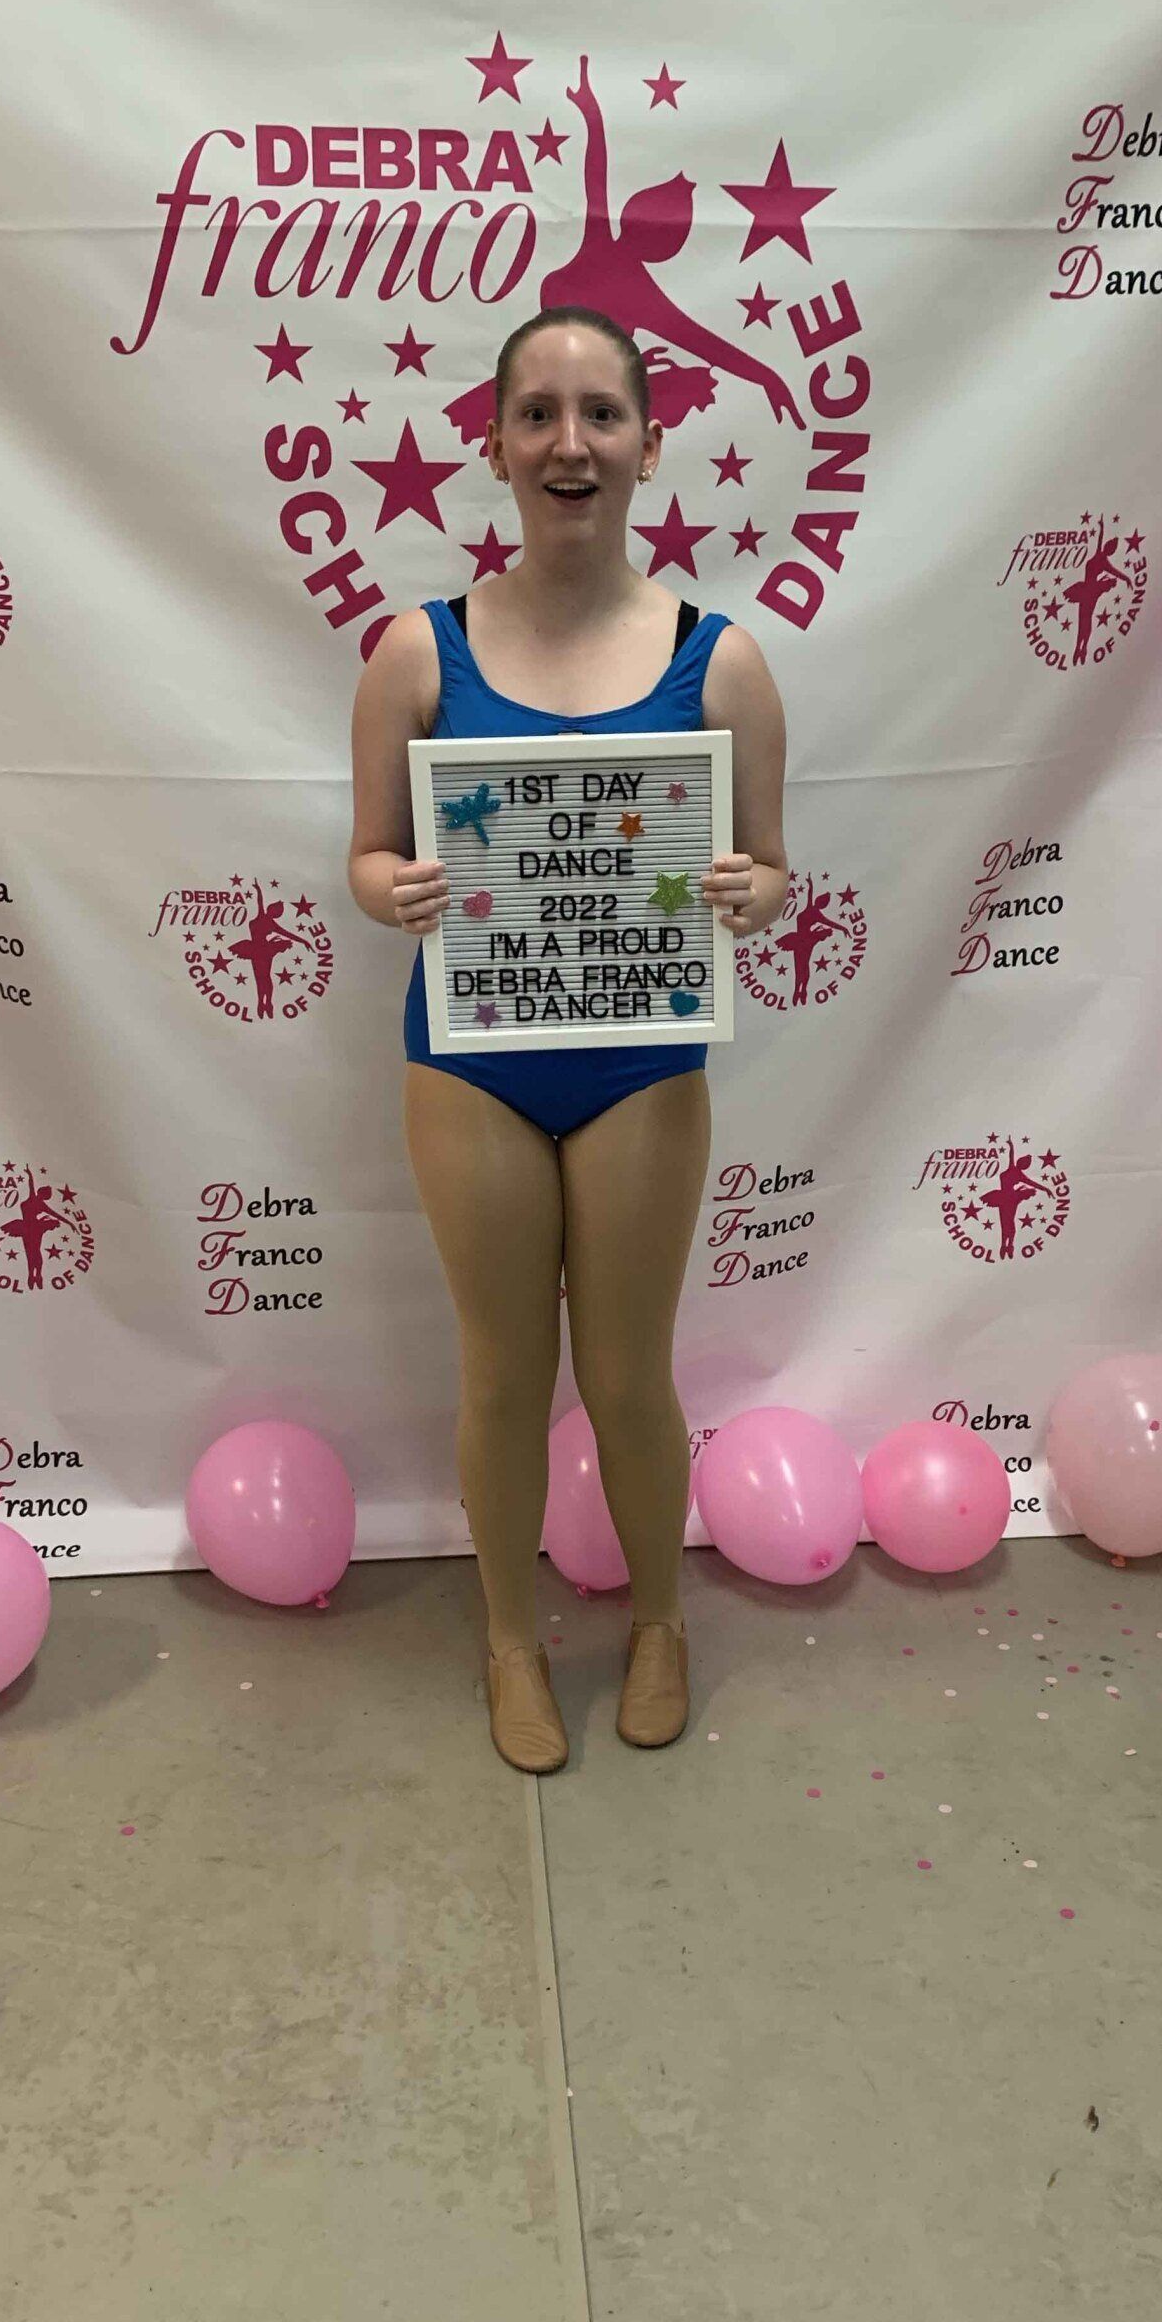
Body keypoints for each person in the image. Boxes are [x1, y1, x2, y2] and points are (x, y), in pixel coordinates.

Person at [347, 304, 790, 1773]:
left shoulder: (721, 663)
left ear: (651, 446)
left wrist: (749, 891)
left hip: (640, 1061)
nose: (569, 441)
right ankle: (507, 1640)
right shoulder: (417, 652)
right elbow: (365, 854)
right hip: (470, 1058)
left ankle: (659, 1621)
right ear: (493, 446)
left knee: (628, 1372)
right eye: (537, 412)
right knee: (500, 1375)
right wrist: (393, 889)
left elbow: (772, 870)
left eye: (602, 412)